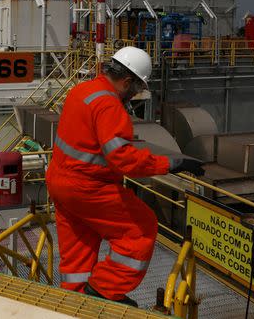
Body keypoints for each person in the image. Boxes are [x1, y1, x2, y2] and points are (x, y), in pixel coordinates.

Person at [46, 46, 204, 306]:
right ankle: (103, 292)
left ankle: (76, 302)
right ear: (127, 81)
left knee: (78, 250)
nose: (135, 95)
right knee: (141, 230)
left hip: (60, 183)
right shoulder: (110, 106)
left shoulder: (81, 91)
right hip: (88, 187)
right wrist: (171, 163)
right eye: (137, 88)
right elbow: (124, 159)